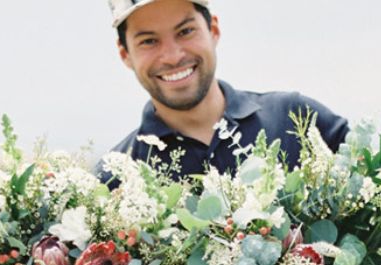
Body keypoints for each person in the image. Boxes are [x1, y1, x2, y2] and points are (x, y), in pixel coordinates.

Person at [99, 0, 349, 186]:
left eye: (185, 31)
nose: (173, 56)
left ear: (214, 30)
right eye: (149, 41)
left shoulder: (296, 119)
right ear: (125, 54)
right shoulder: (114, 179)